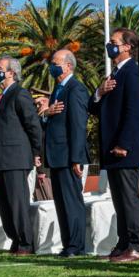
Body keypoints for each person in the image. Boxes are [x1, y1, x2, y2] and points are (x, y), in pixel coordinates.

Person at [90, 27, 139, 262]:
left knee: (129, 198)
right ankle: (124, 242)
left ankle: (137, 245)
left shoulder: (133, 72)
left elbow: (134, 111)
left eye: (113, 42)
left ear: (127, 46)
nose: (109, 45)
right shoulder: (113, 75)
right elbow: (93, 107)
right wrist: (99, 92)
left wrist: (124, 143)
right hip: (111, 147)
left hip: (125, 148)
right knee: (118, 199)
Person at [0, 56, 43, 255]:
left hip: (14, 158)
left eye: (0, 68)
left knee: (17, 203)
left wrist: (37, 151)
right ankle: (15, 239)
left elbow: (33, 125)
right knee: (4, 204)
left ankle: (25, 243)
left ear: (11, 72)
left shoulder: (20, 94)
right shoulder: (3, 95)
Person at [43, 49, 91, 257]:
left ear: (69, 66)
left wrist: (77, 158)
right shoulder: (58, 89)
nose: (53, 67)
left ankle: (76, 245)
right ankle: (68, 243)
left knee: (71, 202)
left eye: (56, 63)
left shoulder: (75, 89)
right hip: (56, 155)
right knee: (61, 203)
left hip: (69, 155)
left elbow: (78, 125)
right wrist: (46, 113)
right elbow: (52, 119)